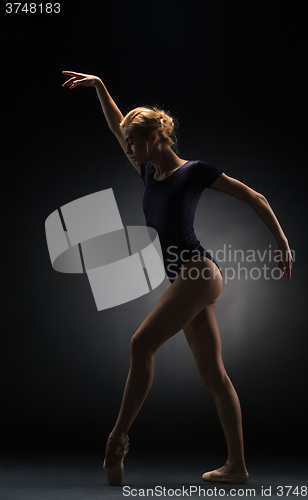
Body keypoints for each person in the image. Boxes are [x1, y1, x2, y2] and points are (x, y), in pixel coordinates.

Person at [62, 71, 293, 486]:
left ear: (152, 137)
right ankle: (237, 467)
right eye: (127, 143)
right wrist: (99, 86)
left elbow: (254, 197)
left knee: (140, 343)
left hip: (199, 273)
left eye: (133, 141)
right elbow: (118, 125)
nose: (127, 148)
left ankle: (117, 439)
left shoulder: (194, 172)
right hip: (185, 280)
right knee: (214, 375)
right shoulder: (148, 172)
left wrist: (282, 243)